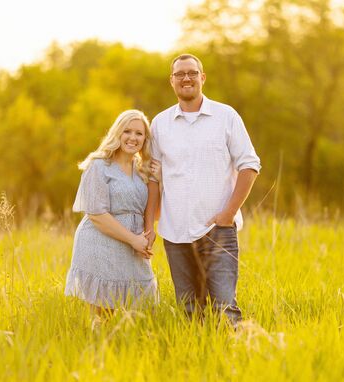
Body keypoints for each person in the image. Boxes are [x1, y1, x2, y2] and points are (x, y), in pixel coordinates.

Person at [144, 54, 260, 326]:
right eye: (180, 74)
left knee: (224, 308)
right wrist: (150, 226)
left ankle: (234, 361)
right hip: (175, 234)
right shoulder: (160, 123)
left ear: (202, 77)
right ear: (171, 81)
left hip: (217, 230)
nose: (187, 78)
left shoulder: (225, 116)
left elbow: (250, 165)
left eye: (192, 73)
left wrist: (228, 214)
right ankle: (195, 361)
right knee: (189, 312)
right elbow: (153, 179)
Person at [65, 109, 159, 311]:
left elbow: (153, 213)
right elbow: (96, 215)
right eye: (127, 131)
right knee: (103, 315)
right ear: (117, 133)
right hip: (101, 243)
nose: (133, 138)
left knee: (143, 308)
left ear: (145, 139)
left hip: (133, 247)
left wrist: (160, 181)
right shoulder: (99, 165)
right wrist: (133, 239)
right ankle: (98, 343)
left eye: (139, 133)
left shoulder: (142, 170)